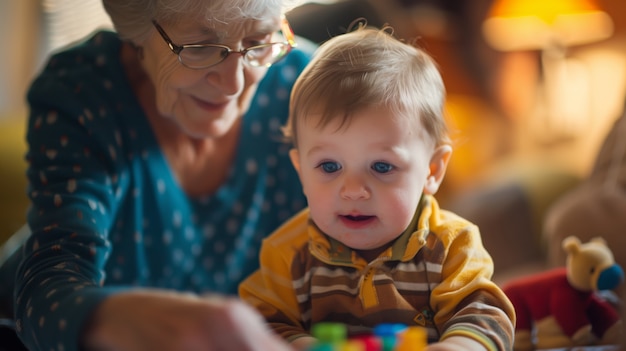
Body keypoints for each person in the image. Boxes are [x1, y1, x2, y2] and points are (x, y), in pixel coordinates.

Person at [0, 0, 315, 350]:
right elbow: (47, 290)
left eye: (257, 42)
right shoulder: (82, 94)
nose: (233, 84)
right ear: (136, 31)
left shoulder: (309, 87)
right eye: (202, 48)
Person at [238, 23, 516, 351]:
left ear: (432, 170)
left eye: (381, 167)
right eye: (329, 167)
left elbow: (483, 316)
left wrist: (457, 346)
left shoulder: (451, 245)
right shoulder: (287, 253)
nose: (354, 190)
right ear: (301, 171)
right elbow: (258, 323)